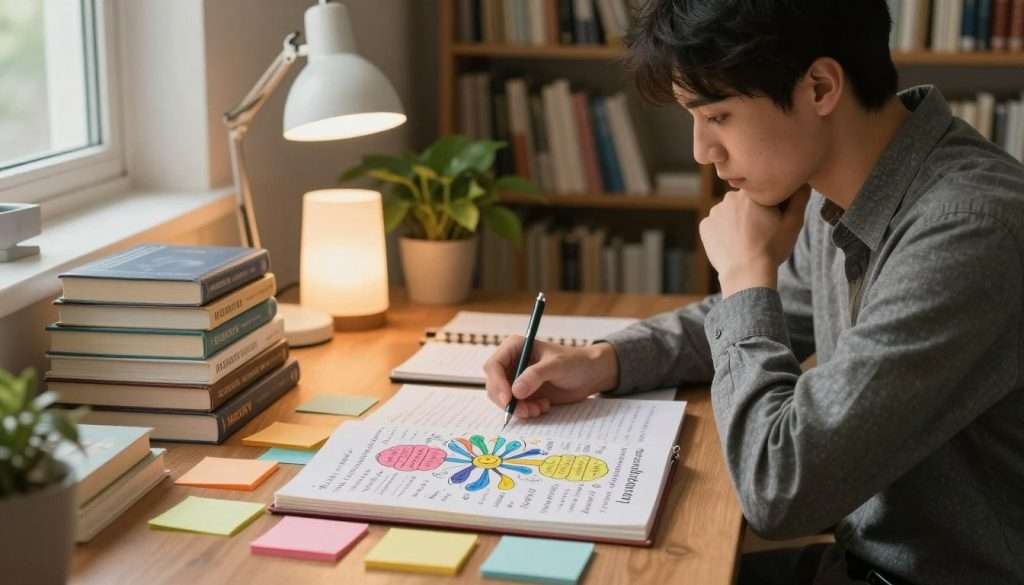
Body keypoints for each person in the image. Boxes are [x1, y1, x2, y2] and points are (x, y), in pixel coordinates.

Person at [482, 1, 1024, 584]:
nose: (701, 152)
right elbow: (773, 316)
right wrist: (602, 361)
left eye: (717, 116)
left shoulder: (967, 229)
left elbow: (779, 488)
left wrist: (743, 271)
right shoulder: (839, 183)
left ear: (819, 87)